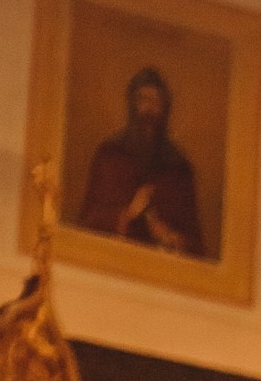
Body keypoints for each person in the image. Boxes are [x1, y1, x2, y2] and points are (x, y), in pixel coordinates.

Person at [79, 65, 206, 254]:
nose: (149, 108)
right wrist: (128, 213)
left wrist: (171, 236)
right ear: (132, 104)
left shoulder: (179, 168)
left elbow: (195, 243)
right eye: (143, 100)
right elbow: (87, 222)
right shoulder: (110, 155)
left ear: (165, 108)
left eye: (155, 101)